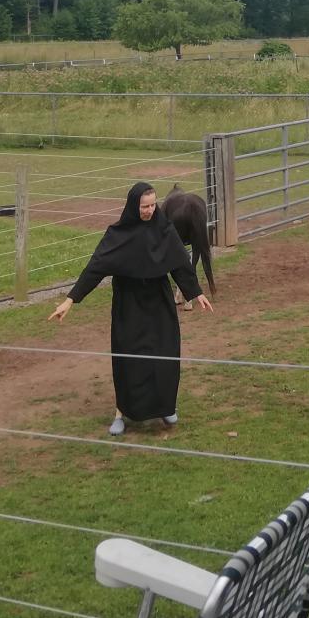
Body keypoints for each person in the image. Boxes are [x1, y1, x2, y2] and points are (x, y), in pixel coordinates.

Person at [49, 182, 213, 434]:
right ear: (133, 206)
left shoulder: (164, 229)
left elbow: (179, 263)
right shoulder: (118, 234)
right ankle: (121, 413)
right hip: (129, 303)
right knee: (128, 358)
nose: (150, 210)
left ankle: (165, 407)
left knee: (164, 353)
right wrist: (71, 299)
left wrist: (196, 292)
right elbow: (96, 268)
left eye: (153, 205)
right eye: (144, 206)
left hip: (159, 301)